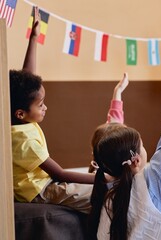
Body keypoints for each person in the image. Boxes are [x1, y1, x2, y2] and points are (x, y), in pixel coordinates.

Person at [88, 47, 161, 240]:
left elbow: (111, 138)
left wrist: (118, 94)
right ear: (135, 160)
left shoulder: (106, 196)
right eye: (141, 145)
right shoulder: (152, 181)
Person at [10, 6, 95, 213]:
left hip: (43, 182)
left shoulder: (16, 116)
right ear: (21, 113)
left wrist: (33, 38)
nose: (45, 107)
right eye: (40, 105)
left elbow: (27, 76)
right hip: (41, 190)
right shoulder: (24, 141)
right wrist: (102, 179)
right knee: (98, 196)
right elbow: (60, 175)